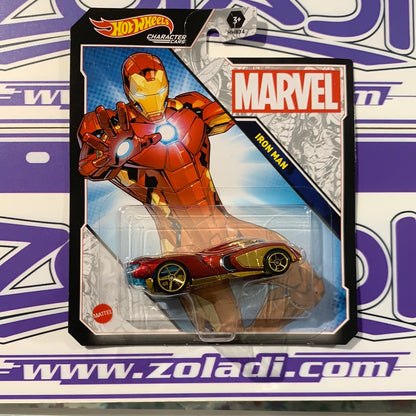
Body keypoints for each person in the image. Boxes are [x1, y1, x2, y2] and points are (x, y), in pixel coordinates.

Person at [78, 52, 324, 333]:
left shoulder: (190, 108)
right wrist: (108, 158)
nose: (153, 100)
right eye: (143, 93)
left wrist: (232, 83)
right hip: (183, 243)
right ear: (128, 90)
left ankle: (256, 338)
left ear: (166, 84)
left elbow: (236, 114)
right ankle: (238, 343)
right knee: (224, 327)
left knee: (311, 289)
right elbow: (89, 167)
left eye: (158, 90)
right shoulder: (110, 127)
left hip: (227, 227)